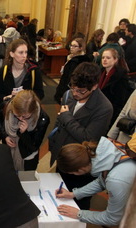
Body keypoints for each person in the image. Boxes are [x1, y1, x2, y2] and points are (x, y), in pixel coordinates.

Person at [49, 62, 113, 210]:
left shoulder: (104, 107)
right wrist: (53, 143)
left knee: (78, 203)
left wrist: (66, 117)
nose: (75, 93)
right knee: (60, 196)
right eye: (73, 88)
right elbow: (59, 122)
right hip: (64, 155)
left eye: (81, 91)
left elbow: (88, 137)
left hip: (81, 164)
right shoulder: (68, 95)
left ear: (95, 86)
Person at [56, 137, 136, 226]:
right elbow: (101, 181)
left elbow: (112, 218)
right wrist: (73, 194)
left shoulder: (116, 180)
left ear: (80, 170)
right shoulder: (103, 154)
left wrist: (79, 214)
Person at [0, 90, 50, 171]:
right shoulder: (5, 106)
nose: (20, 119)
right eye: (16, 115)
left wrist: (24, 133)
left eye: (25, 117)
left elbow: (34, 146)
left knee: (26, 180)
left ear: (33, 110)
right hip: (8, 152)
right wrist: (5, 136)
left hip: (27, 158)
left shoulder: (43, 119)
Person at [0, 38, 44, 104]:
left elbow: (40, 94)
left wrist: (26, 96)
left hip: (27, 109)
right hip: (8, 108)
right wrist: (7, 97)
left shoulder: (34, 71)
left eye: (26, 52)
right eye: (21, 53)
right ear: (12, 54)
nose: (24, 56)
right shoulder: (3, 71)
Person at [99, 48, 132, 126]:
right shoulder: (100, 72)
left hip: (111, 112)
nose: (104, 60)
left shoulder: (120, 76)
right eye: (103, 57)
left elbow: (119, 99)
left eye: (108, 58)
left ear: (115, 59)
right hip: (98, 109)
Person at [54, 38, 90, 104]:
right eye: (71, 45)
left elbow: (69, 79)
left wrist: (63, 94)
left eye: (74, 46)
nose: (71, 48)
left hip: (70, 90)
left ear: (80, 48)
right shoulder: (71, 58)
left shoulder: (77, 61)